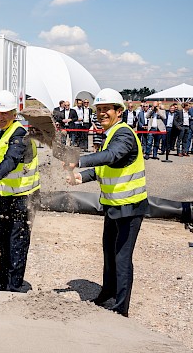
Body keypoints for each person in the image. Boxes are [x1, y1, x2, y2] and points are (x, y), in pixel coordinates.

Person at [66, 88, 148, 317]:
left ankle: (121, 307)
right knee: (109, 253)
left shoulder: (123, 134)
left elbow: (112, 156)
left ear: (118, 112)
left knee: (122, 257)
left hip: (130, 207)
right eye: (99, 110)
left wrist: (78, 160)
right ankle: (107, 292)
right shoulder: (110, 134)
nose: (101, 114)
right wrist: (84, 176)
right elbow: (107, 167)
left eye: (106, 109)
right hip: (113, 205)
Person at [0, 90, 40, 292]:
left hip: (25, 197)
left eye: (4, 114)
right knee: (4, 242)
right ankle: (2, 286)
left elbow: (12, 159)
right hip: (6, 195)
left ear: (14, 113)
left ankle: (13, 289)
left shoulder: (20, 134)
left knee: (17, 243)